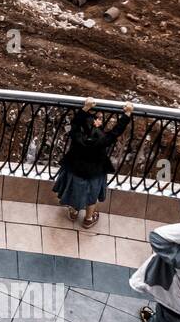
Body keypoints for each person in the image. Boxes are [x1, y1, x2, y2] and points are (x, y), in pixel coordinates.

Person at [53, 98, 133, 229]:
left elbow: (75, 124)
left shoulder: (77, 137)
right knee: (92, 195)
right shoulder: (103, 140)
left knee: (75, 190)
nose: (100, 120)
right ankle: (88, 219)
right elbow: (116, 131)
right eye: (98, 120)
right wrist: (127, 114)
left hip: (76, 169)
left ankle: (73, 213)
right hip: (95, 172)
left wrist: (85, 108)